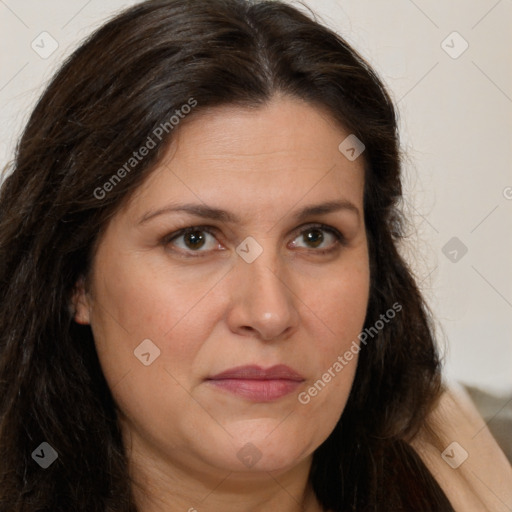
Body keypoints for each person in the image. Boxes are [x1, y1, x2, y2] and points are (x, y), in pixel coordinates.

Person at [0, 0, 510, 510]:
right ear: (76, 280)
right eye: (194, 239)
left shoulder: (483, 468)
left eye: (315, 237)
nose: (270, 313)